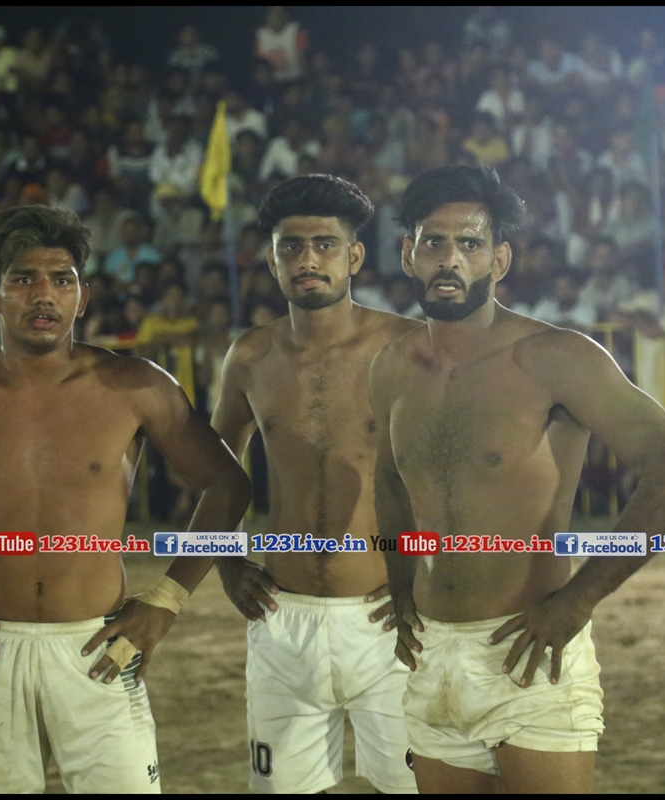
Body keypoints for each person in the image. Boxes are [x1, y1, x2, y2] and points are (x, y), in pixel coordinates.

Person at [0, 205, 251, 792]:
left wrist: (166, 601)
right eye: (23, 278)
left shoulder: (136, 386)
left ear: (83, 296)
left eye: (62, 279)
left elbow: (229, 483)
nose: (43, 295)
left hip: (98, 646)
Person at [370, 166, 665, 792]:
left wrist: (579, 599)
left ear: (499, 259)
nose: (450, 259)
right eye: (434, 242)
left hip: (531, 650)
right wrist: (399, 583)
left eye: (470, 243)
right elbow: (390, 481)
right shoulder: (392, 367)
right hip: (431, 654)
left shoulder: (556, 357)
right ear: (408, 253)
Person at [210, 175, 422, 793]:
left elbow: (454, 469)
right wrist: (226, 562)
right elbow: (217, 471)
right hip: (283, 613)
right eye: (292, 246)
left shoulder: (406, 347)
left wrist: (426, 576)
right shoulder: (251, 356)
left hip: (389, 613)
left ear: (354, 256)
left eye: (324, 245)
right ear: (272, 259)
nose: (308, 260)